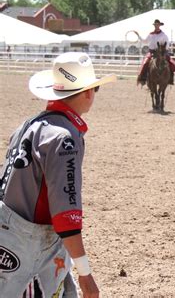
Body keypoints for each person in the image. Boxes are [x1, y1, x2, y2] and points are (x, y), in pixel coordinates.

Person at [0, 52, 116, 297]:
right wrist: (85, 273)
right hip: (28, 242)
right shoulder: (64, 137)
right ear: (87, 93)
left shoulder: (27, 126)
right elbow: (65, 214)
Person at [135, 19, 175, 86]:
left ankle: (171, 78)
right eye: (155, 25)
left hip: (161, 52)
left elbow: (167, 45)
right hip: (152, 52)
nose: (156, 26)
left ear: (160, 25)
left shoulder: (163, 35)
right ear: (154, 25)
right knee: (145, 62)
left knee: (171, 63)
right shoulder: (151, 34)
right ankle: (142, 78)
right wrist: (138, 36)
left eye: (157, 25)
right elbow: (145, 41)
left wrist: (163, 51)